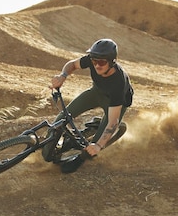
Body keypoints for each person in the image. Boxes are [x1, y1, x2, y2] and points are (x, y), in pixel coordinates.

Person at [48, 38, 133, 173]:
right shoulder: (93, 60)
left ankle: (82, 156)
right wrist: (62, 76)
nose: (97, 65)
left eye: (101, 62)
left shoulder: (118, 84)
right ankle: (55, 146)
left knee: (95, 148)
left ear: (112, 62)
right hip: (96, 92)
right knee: (61, 119)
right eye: (94, 61)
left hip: (115, 102)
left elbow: (113, 122)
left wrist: (98, 145)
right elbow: (72, 64)